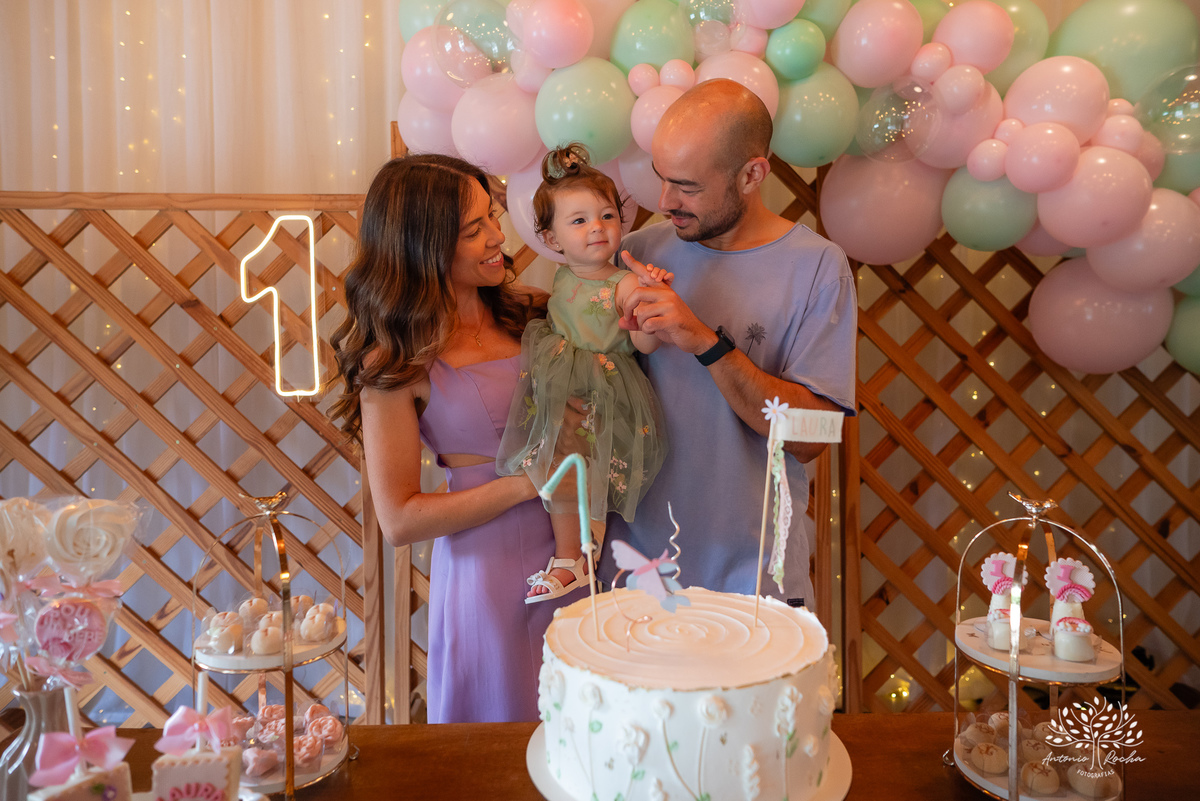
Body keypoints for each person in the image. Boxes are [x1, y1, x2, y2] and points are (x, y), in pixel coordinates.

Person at [327, 154, 563, 723]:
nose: (497, 237)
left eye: (492, 217)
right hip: (489, 570)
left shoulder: (534, 311)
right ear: (423, 247)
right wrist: (527, 483)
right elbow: (400, 519)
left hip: (577, 548)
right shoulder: (396, 361)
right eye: (473, 229)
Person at [604, 79, 858, 606]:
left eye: (687, 186)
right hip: (636, 577)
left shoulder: (816, 267)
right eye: (661, 178)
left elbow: (813, 437)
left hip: (754, 584)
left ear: (751, 175)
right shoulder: (635, 253)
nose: (664, 201)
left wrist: (704, 342)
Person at [496, 144, 671, 604]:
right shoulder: (562, 275)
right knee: (555, 465)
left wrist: (647, 305)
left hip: (601, 391)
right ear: (552, 239)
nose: (597, 227)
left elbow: (645, 345)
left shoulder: (624, 282)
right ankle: (575, 554)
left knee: (573, 467)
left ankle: (574, 557)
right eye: (579, 221)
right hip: (560, 387)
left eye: (608, 216)